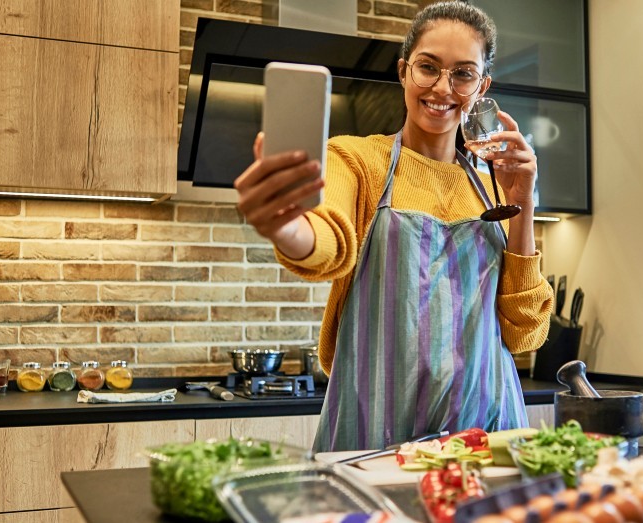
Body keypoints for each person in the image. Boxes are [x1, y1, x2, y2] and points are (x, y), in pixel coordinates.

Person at [234, 1, 554, 452]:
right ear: (404, 71)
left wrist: (522, 202)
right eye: (428, 67)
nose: (443, 87)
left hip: (488, 429)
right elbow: (328, 240)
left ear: (481, 86)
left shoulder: (494, 186)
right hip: (376, 424)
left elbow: (525, 332)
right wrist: (286, 227)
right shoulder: (356, 160)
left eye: (462, 74)